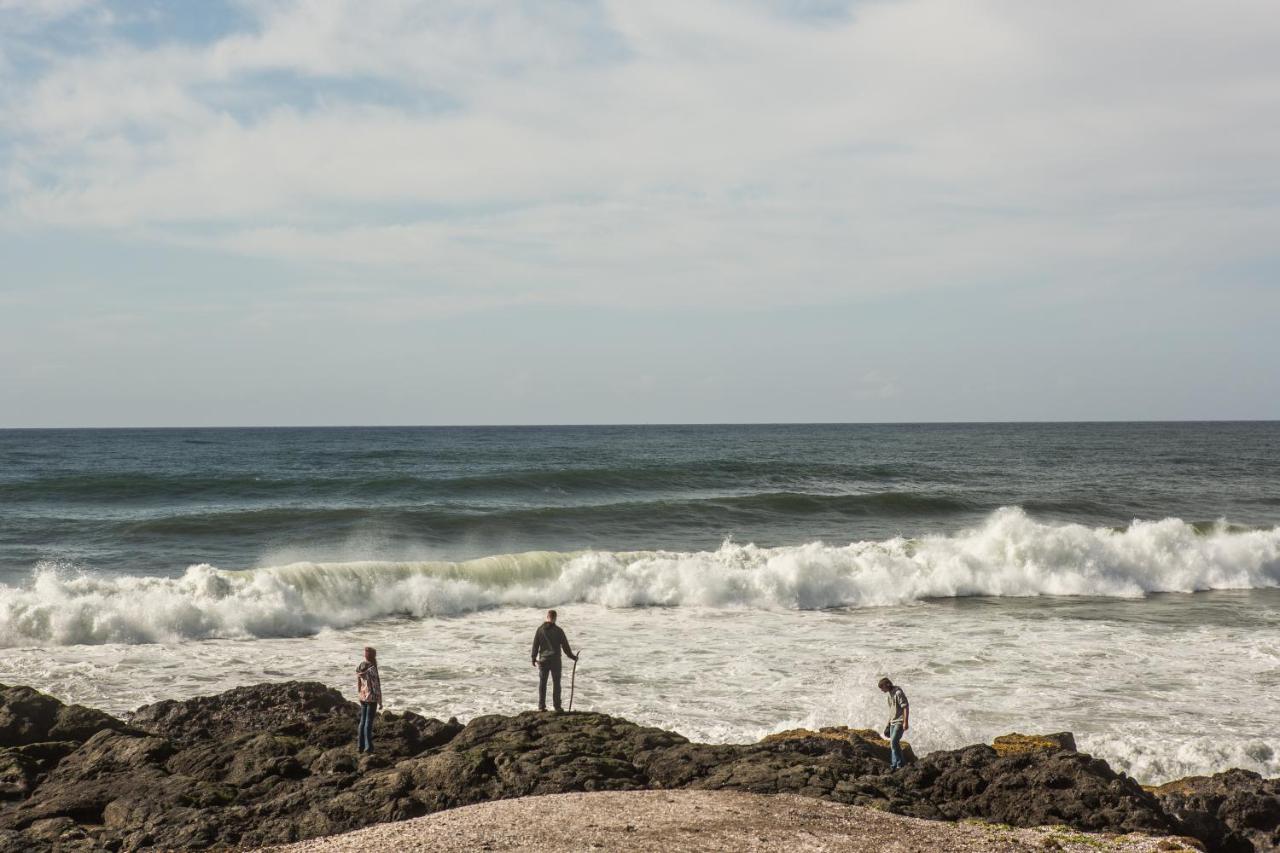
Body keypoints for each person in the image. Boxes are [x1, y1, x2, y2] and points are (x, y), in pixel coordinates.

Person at [531, 609, 577, 712]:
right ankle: (557, 706)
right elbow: (565, 647)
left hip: (543, 660)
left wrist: (533, 658)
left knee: (543, 683)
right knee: (556, 684)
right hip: (555, 661)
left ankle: (541, 706)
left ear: (547, 617)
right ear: (555, 618)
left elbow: (535, 645)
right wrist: (573, 657)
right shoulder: (559, 631)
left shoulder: (540, 630)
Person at [878, 676, 909, 770]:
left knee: (894, 741)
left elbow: (906, 707)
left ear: (887, 685)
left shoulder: (898, 692)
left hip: (899, 721)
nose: (881, 690)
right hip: (892, 722)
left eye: (882, 688)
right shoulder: (889, 695)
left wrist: (905, 722)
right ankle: (894, 765)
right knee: (893, 744)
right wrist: (888, 724)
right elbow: (891, 711)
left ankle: (900, 764)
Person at [356, 646, 382, 753]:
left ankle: (360, 746)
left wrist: (359, 694)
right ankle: (368, 747)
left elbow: (359, 683)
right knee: (368, 722)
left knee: (362, 721)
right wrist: (380, 700)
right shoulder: (372, 668)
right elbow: (376, 686)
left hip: (362, 696)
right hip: (371, 698)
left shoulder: (360, 666)